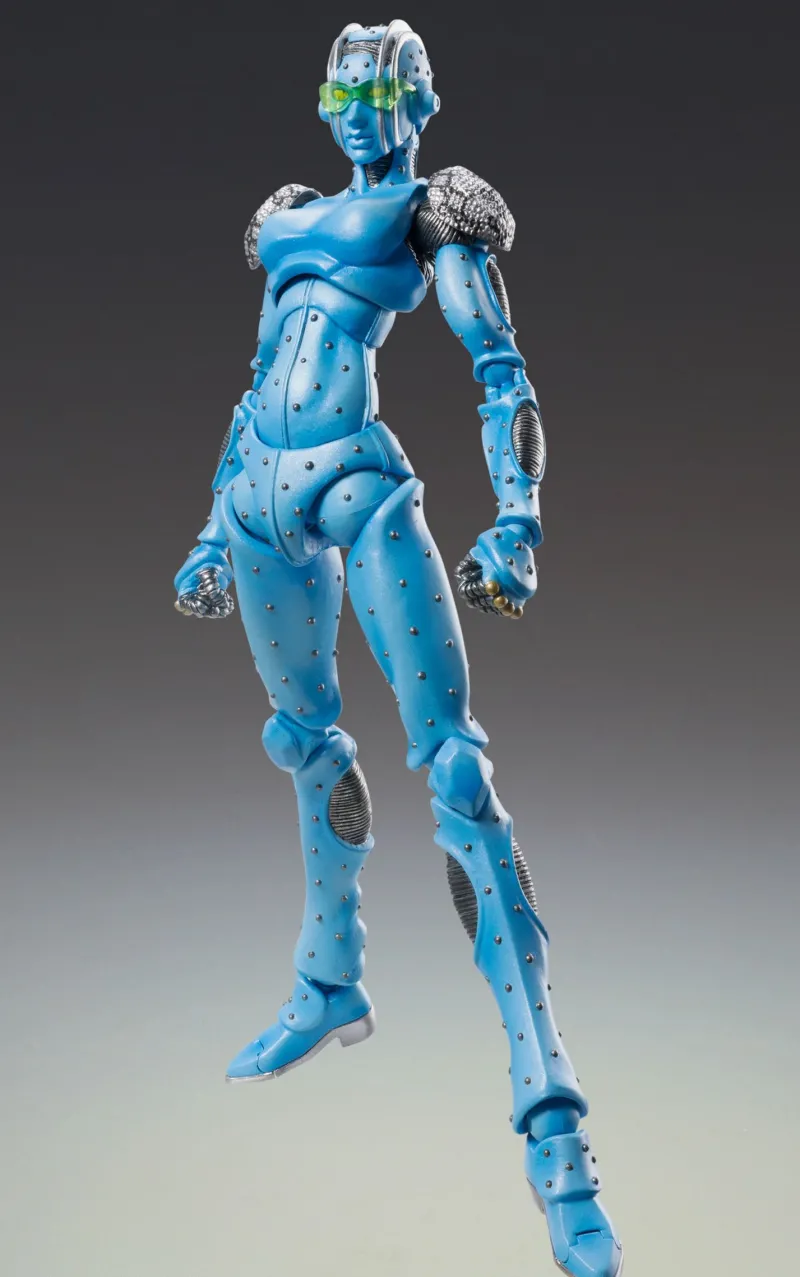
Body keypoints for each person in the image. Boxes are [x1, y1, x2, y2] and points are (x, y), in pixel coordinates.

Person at [174, 21, 623, 1277]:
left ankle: (554, 1128)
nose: (362, 108)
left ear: (417, 102)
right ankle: (331, 980)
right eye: (345, 87)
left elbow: (499, 371)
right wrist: (210, 528)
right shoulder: (289, 218)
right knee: (306, 744)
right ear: (325, 104)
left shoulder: (430, 213)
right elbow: (257, 376)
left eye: (383, 88)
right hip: (260, 496)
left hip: (358, 486)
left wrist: (516, 523)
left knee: (457, 776)